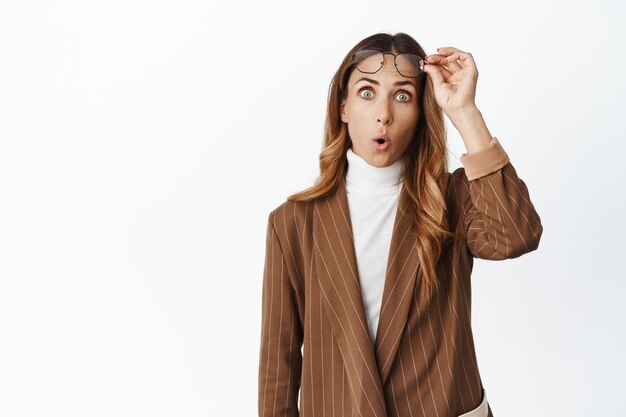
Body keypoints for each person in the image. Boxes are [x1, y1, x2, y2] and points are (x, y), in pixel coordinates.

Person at [258, 32, 543, 417]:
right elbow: (279, 362)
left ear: (421, 111)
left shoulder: (453, 198)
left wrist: (464, 113)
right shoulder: (292, 222)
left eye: (403, 96)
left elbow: (516, 235)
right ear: (342, 107)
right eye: (366, 92)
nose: (384, 114)